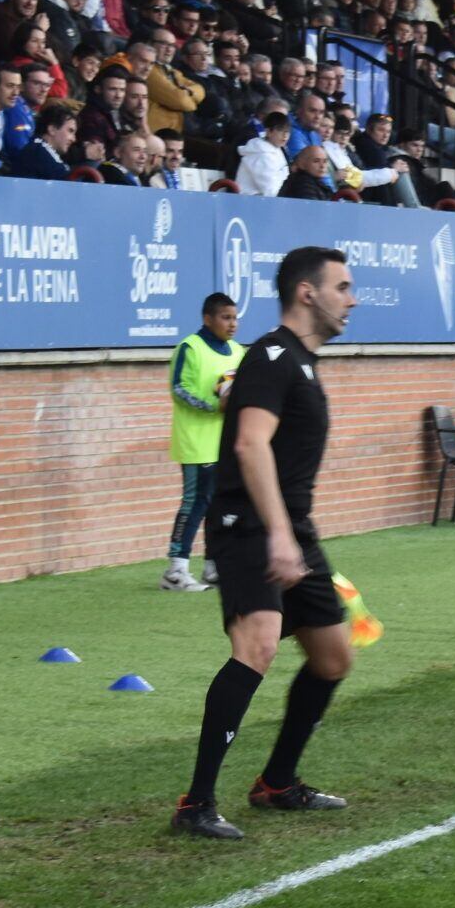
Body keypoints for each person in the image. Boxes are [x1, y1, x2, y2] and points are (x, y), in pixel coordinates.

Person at [171, 246, 359, 841]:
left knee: (333, 657)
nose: (352, 300)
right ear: (307, 292)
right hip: (249, 528)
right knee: (256, 647)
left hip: (292, 530)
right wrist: (278, 534)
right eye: (343, 287)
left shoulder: (301, 360)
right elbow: (250, 446)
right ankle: (195, 804)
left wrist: (293, 533)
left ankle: (277, 783)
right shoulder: (272, 357)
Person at [160, 292, 242, 591]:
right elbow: (178, 389)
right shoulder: (189, 347)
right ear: (208, 319)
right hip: (196, 442)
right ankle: (175, 571)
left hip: (224, 442)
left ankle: (213, 566)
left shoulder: (237, 351)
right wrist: (213, 405)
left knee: (219, 505)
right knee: (195, 503)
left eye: (234, 318)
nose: (232, 324)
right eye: (225, 317)